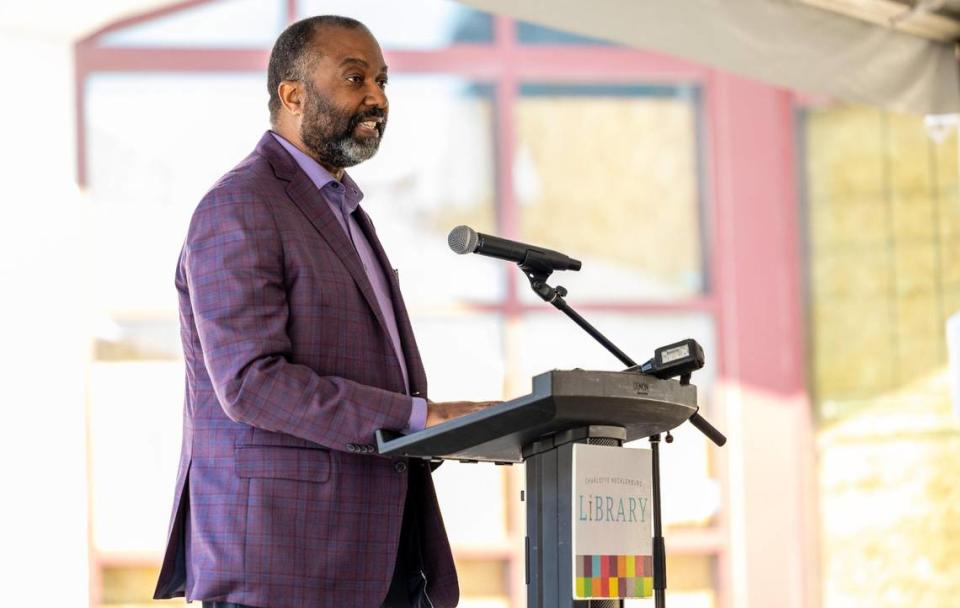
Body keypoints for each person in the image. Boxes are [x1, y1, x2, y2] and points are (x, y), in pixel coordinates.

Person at [153, 15, 495, 608]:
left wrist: (435, 425)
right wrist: (421, 416)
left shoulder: (344, 211)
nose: (377, 97)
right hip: (281, 562)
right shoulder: (239, 206)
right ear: (292, 95)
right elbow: (251, 383)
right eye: (355, 78)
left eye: (384, 81)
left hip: (379, 557)